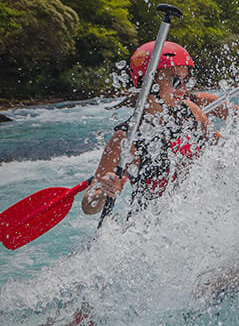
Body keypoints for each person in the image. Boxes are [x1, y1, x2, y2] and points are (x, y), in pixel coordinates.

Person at [81, 41, 211, 215]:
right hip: (150, 229)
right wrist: (103, 190)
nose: (183, 89)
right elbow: (88, 207)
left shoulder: (191, 112)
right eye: (175, 81)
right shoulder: (125, 139)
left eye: (186, 81)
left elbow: (221, 149)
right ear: (149, 82)